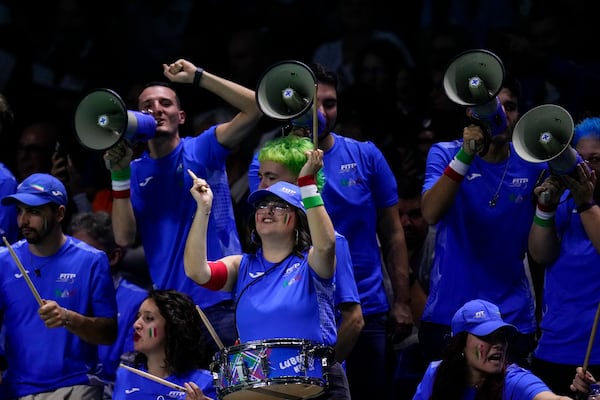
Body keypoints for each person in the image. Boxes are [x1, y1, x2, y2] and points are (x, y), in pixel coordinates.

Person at [248, 61, 411, 399]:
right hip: (298, 312)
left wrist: (402, 301)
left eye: (330, 103)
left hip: (364, 306)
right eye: (311, 103)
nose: (320, 112)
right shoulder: (266, 163)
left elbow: (393, 232)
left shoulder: (365, 156)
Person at [103, 58, 263, 357]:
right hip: (171, 312)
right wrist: (119, 174)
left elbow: (256, 107)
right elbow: (124, 238)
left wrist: (199, 77)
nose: (156, 109)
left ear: (181, 115)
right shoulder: (133, 171)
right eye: (147, 105)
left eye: (165, 103)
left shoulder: (202, 148)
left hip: (220, 302)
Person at [183, 150, 351, 399]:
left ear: (298, 221)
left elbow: (326, 244)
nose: (268, 210)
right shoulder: (242, 266)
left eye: (280, 206)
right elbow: (197, 271)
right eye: (263, 205)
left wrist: (307, 184)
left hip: (318, 384)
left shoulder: (311, 263)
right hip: (262, 389)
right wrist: (204, 208)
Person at [418, 72, 544, 368]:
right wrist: (465, 154)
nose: (500, 115)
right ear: (471, 113)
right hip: (448, 315)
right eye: (492, 107)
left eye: (509, 107)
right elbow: (430, 212)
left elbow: (542, 250)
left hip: (510, 318)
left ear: (518, 115)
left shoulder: (533, 167)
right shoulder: (446, 153)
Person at [0, 172, 117, 399]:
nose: (23, 220)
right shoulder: (4, 261)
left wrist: (68, 318)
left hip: (75, 386)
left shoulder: (92, 261)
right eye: (20, 211)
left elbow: (108, 333)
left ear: (59, 213)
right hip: (17, 389)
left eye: (33, 211)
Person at [252, 134, 364, 364]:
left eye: (270, 177)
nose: (261, 185)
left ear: (299, 181)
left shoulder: (332, 241)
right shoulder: (268, 239)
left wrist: (324, 370)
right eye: (260, 176)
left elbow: (354, 319)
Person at [528, 116, 600, 395]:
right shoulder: (565, 201)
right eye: (580, 159)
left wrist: (585, 202)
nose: (584, 168)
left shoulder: (582, 202)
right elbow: (539, 254)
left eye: (594, 160)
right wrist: (545, 208)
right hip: (555, 347)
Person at [413, 299, 574, 400]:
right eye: (486, 336)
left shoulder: (513, 380)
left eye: (501, 336)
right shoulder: (436, 374)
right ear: (460, 344)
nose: (498, 344)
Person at [67, 211, 149, 399]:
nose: (74, 263)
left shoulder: (140, 303)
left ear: (113, 257)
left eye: (85, 254)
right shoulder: (60, 293)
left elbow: (131, 375)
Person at [113, 289, 215, 400]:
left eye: (148, 318)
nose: (136, 325)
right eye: (138, 317)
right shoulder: (124, 376)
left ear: (173, 327)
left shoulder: (206, 383)